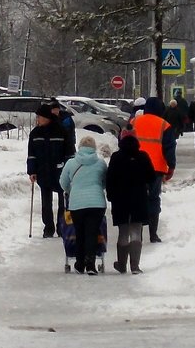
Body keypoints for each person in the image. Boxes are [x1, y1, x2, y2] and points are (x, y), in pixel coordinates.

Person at [106, 133, 155, 274]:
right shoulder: (143, 156)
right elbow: (151, 177)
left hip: (120, 200)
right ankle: (135, 266)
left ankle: (121, 264)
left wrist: (110, 196)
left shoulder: (116, 157)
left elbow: (110, 179)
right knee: (136, 231)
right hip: (139, 199)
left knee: (123, 232)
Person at [59, 134, 107, 275]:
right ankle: (90, 264)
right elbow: (105, 182)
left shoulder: (71, 163)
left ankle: (79, 263)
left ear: (80, 148)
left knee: (79, 232)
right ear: (93, 148)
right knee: (92, 232)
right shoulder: (100, 163)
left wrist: (71, 191)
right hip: (97, 203)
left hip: (77, 203)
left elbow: (63, 183)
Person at [131, 96, 176, 242]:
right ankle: (153, 234)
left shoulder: (134, 122)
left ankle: (137, 234)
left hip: (135, 167)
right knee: (153, 199)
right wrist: (171, 167)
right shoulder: (165, 125)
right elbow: (169, 148)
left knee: (137, 198)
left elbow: (123, 141)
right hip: (156, 168)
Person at [27, 103, 74, 238]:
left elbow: (69, 153)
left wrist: (68, 169)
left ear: (47, 117)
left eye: (39, 117)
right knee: (45, 202)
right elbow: (31, 154)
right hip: (43, 171)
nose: (38, 120)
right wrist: (32, 170)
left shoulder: (61, 131)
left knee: (62, 201)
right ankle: (48, 227)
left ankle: (61, 226)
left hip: (60, 171)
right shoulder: (35, 133)